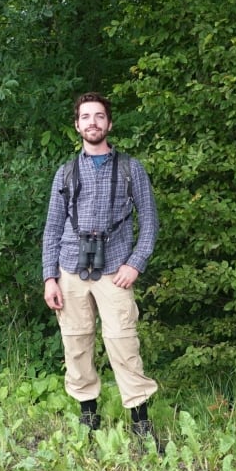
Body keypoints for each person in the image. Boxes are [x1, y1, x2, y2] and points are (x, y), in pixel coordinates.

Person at [42, 91, 160, 447]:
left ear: (109, 123)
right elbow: (52, 227)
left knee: (123, 343)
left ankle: (140, 423)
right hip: (70, 269)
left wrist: (135, 264)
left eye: (99, 117)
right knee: (76, 343)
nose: (92, 123)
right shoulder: (65, 172)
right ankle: (88, 420)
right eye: (85, 117)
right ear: (77, 125)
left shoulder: (130, 168)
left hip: (115, 270)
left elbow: (150, 222)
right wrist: (50, 276)